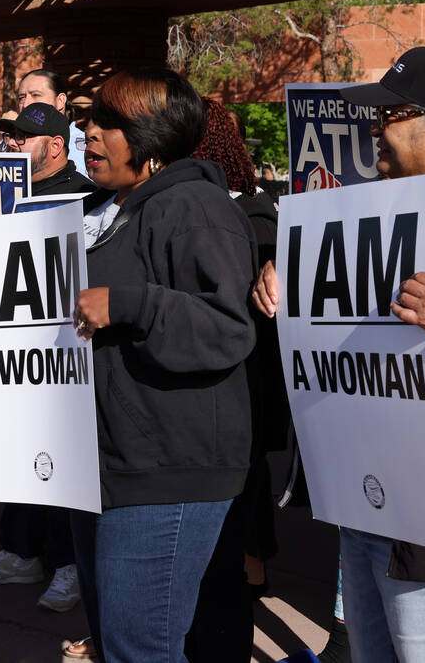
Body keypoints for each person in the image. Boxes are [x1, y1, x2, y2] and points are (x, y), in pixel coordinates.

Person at [255, 45, 425, 663]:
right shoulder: (368, 215)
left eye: (393, 112)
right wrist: (284, 283)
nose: (375, 127)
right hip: (371, 512)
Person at [69, 68, 257, 662]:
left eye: (109, 123)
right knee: (121, 644)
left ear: (149, 139)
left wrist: (130, 302)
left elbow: (228, 328)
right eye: (90, 120)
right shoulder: (104, 210)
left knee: (140, 649)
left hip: (169, 470)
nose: (89, 132)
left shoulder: (194, 206)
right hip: (109, 462)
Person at [0, 102, 95, 613]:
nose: (13, 144)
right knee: (16, 450)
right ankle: (20, 552)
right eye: (11, 137)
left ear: (56, 146)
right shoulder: (1, 193)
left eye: (23, 138)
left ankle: (68, 565)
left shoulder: (87, 195)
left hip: (63, 351)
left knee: (62, 458)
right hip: (9, 349)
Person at [185, 98, 284, 663]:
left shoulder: (255, 217)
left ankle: (248, 576)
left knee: (241, 499)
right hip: (223, 389)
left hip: (244, 385)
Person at [15, 69, 88, 176]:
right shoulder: (12, 143)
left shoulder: (85, 148)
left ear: (60, 101)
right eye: (21, 97)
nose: (26, 104)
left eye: (35, 95)